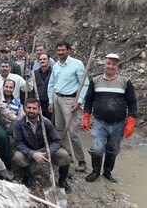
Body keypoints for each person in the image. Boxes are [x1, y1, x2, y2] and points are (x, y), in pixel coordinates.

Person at [82, 53, 137, 183]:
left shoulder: (125, 82)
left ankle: (107, 172)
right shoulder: (95, 81)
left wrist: (131, 122)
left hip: (118, 124)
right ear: (104, 64)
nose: (110, 66)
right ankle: (95, 171)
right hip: (99, 122)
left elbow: (132, 102)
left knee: (112, 150)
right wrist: (86, 116)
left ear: (117, 66)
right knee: (97, 149)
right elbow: (89, 100)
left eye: (113, 64)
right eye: (108, 63)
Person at [12, 98, 71, 193]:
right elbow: (18, 143)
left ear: (39, 110)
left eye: (34, 108)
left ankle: (62, 180)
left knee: (64, 155)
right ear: (24, 108)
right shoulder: (18, 123)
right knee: (18, 157)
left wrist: (48, 153)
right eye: (29, 108)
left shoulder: (46, 122)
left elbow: (57, 141)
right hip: (28, 150)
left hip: (45, 149)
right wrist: (32, 154)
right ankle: (27, 177)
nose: (31, 110)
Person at [47, 40, 89, 171]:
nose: (60, 53)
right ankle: (67, 155)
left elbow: (85, 84)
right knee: (59, 129)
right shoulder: (56, 66)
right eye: (58, 50)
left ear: (68, 50)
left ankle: (81, 160)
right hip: (57, 98)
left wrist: (79, 101)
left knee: (73, 131)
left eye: (62, 50)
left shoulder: (77, 64)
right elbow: (51, 84)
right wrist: (51, 101)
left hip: (70, 100)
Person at [32, 53, 52, 120]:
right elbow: (32, 89)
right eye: (40, 59)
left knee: (50, 122)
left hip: (50, 103)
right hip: (38, 103)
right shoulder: (34, 73)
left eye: (44, 59)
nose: (42, 61)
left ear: (48, 61)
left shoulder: (53, 72)